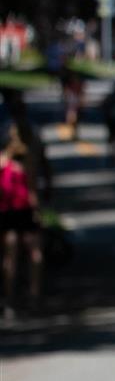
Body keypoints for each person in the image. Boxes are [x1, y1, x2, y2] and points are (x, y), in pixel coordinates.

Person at [0, 132, 41, 318]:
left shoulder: (23, 162)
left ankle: (30, 296)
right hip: (10, 213)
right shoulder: (7, 163)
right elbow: (32, 191)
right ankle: (13, 298)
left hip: (20, 213)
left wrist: (36, 212)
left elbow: (32, 191)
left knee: (32, 254)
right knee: (13, 256)